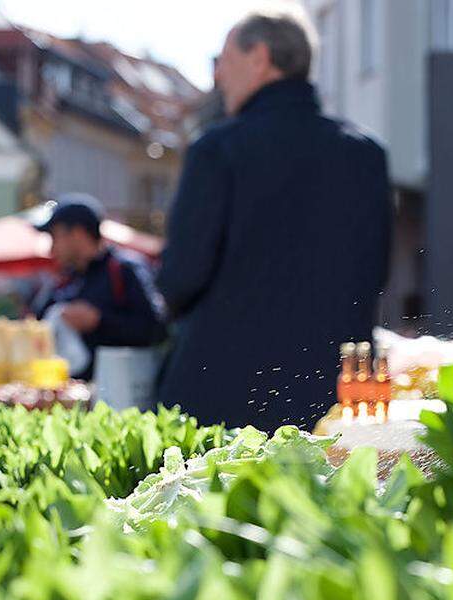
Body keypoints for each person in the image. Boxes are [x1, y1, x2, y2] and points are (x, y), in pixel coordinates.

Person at [156, 8, 393, 431]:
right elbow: (375, 276)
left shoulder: (218, 150)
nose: (218, 76)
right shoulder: (366, 154)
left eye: (224, 60)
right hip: (337, 398)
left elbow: (180, 278)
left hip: (224, 396)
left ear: (259, 57)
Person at [31, 194, 167, 381]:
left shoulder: (124, 270)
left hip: (118, 395)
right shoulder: (63, 280)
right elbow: (35, 323)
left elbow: (156, 330)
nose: (51, 249)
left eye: (55, 237)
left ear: (78, 233)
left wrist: (99, 321)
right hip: (69, 394)